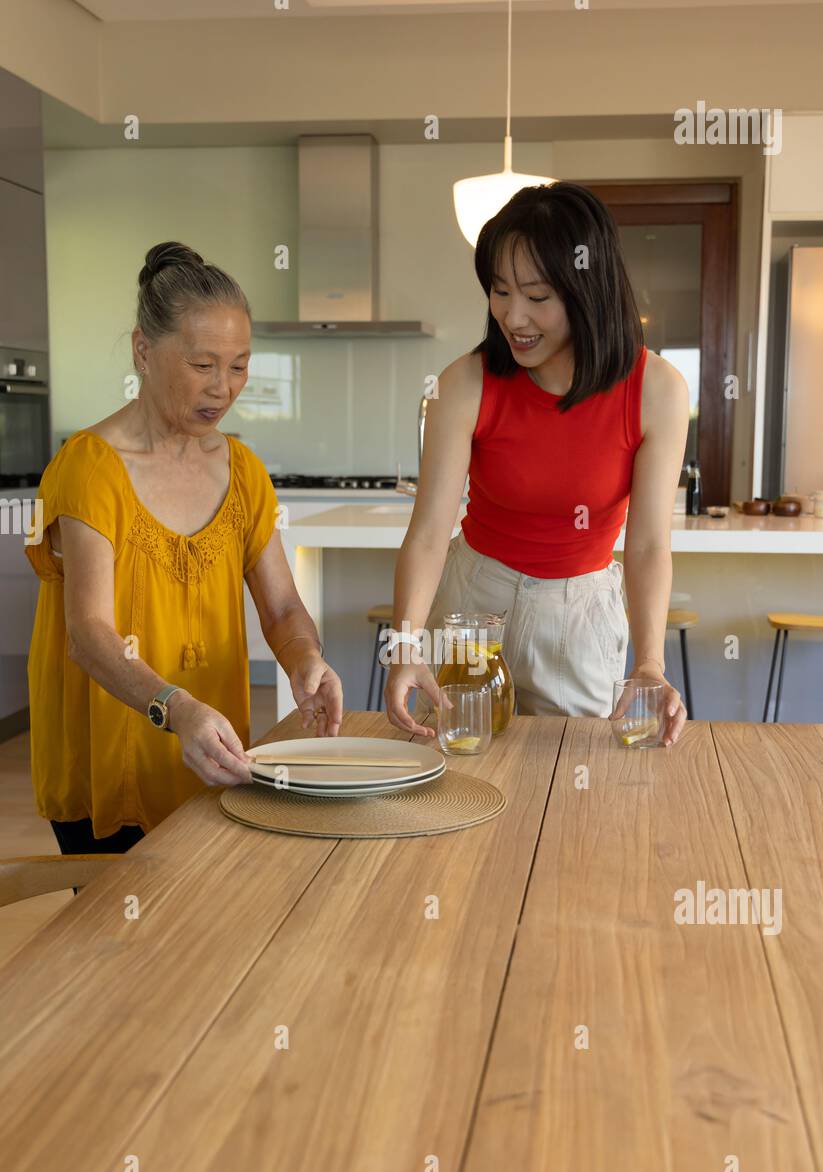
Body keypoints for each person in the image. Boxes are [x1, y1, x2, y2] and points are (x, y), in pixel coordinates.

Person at [26, 240, 343, 857]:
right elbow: (88, 633)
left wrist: (305, 660)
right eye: (203, 365)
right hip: (112, 758)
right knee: (119, 940)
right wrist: (176, 708)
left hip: (212, 752)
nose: (223, 388)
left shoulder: (244, 471)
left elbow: (280, 608)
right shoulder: (89, 469)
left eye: (240, 365)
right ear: (144, 352)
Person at [383, 181, 690, 746]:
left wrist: (649, 663)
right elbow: (429, 533)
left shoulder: (657, 390)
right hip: (472, 606)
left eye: (537, 296)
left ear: (587, 290)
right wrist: (405, 644)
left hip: (578, 615)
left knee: (566, 789)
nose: (512, 316)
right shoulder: (466, 382)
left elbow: (647, 544)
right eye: (500, 291)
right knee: (449, 769)